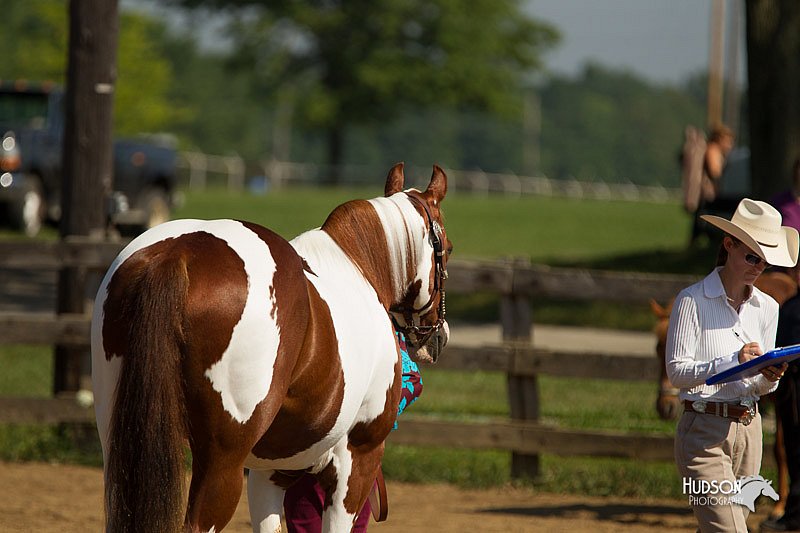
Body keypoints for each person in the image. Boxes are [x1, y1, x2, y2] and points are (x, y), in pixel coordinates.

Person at [666, 198, 799, 532]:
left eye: (765, 261)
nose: (758, 267)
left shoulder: (768, 308)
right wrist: (733, 361)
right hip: (703, 433)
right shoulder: (691, 301)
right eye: (751, 257)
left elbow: (760, 386)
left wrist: (771, 376)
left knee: (721, 527)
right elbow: (677, 372)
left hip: (749, 433)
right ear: (729, 244)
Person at [283, 327, 423, 533]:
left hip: (317, 447)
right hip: (326, 450)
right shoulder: (374, 316)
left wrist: (366, 421)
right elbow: (411, 380)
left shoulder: (372, 317)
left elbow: (411, 378)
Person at [684, 124, 736, 246]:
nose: (730, 145)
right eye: (728, 141)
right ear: (720, 139)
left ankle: (695, 244)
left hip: (704, 193)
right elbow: (715, 171)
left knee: (699, 220)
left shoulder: (710, 149)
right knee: (705, 219)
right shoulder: (713, 150)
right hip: (708, 193)